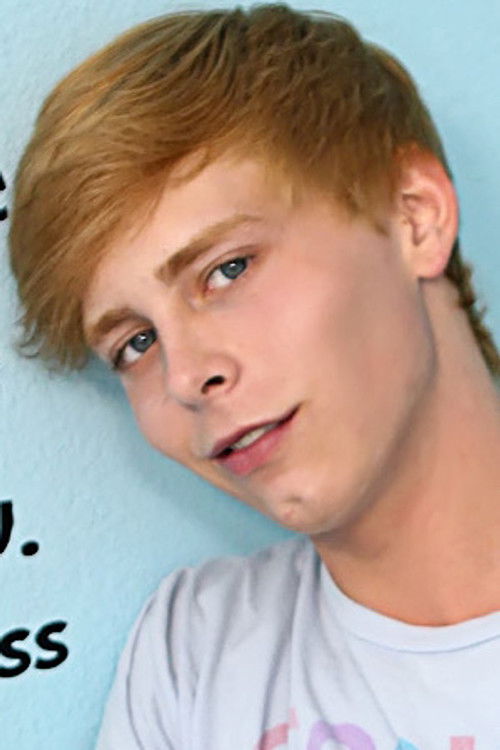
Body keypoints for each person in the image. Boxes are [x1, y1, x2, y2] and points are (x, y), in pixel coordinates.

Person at [8, 4, 500, 748]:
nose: (185, 376)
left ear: (414, 216)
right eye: (136, 343)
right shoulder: (195, 655)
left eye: (227, 270)